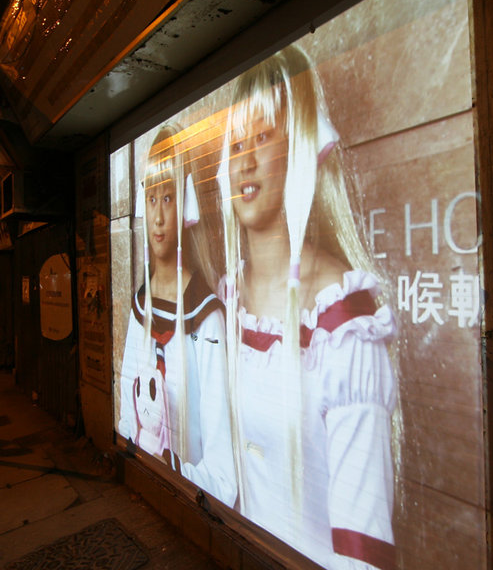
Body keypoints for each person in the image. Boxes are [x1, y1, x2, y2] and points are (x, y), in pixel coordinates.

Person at [217, 45, 398, 569]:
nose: (245, 160)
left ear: (299, 145)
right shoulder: (226, 298)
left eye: (263, 136)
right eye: (236, 143)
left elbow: (362, 551)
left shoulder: (342, 321)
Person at [118, 124, 236, 508]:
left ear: (185, 203)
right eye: (151, 198)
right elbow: (126, 415)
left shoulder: (206, 315)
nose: (157, 217)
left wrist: (173, 471)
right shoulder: (140, 307)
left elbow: (222, 474)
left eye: (168, 198)